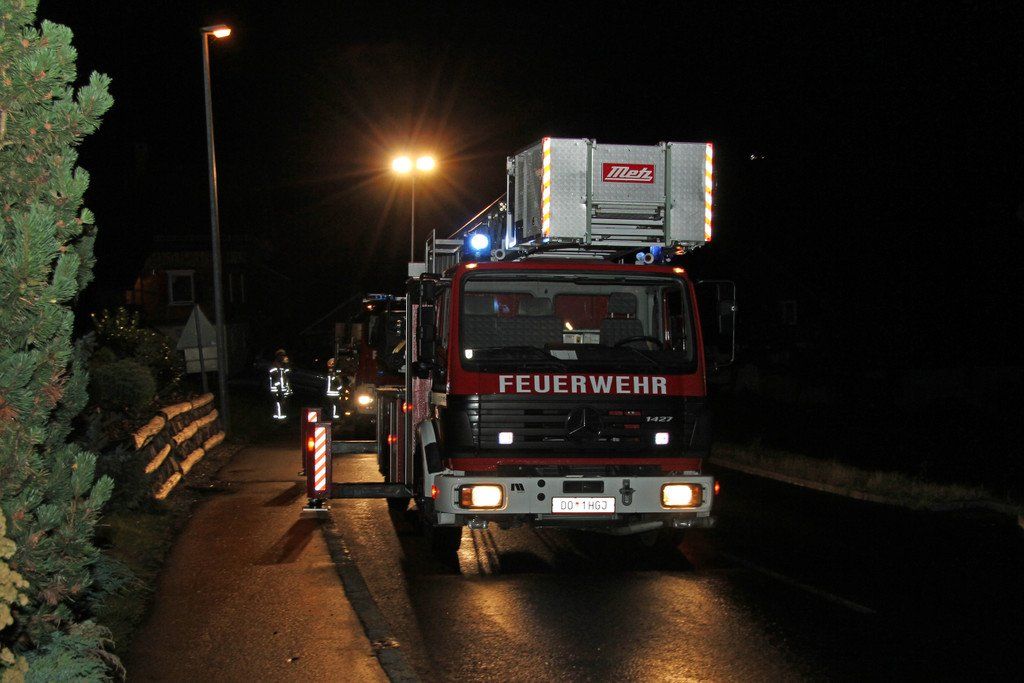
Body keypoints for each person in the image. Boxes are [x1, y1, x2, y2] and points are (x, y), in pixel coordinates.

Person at [268, 348, 292, 420]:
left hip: (283, 387)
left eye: (283, 355)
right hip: (277, 388)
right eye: (281, 355)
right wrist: (278, 386)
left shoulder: (283, 365)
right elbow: (273, 375)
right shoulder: (275, 365)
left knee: (283, 402)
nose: (283, 357)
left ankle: (282, 416)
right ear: (278, 356)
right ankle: (278, 417)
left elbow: (288, 374)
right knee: (278, 402)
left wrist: (287, 364)